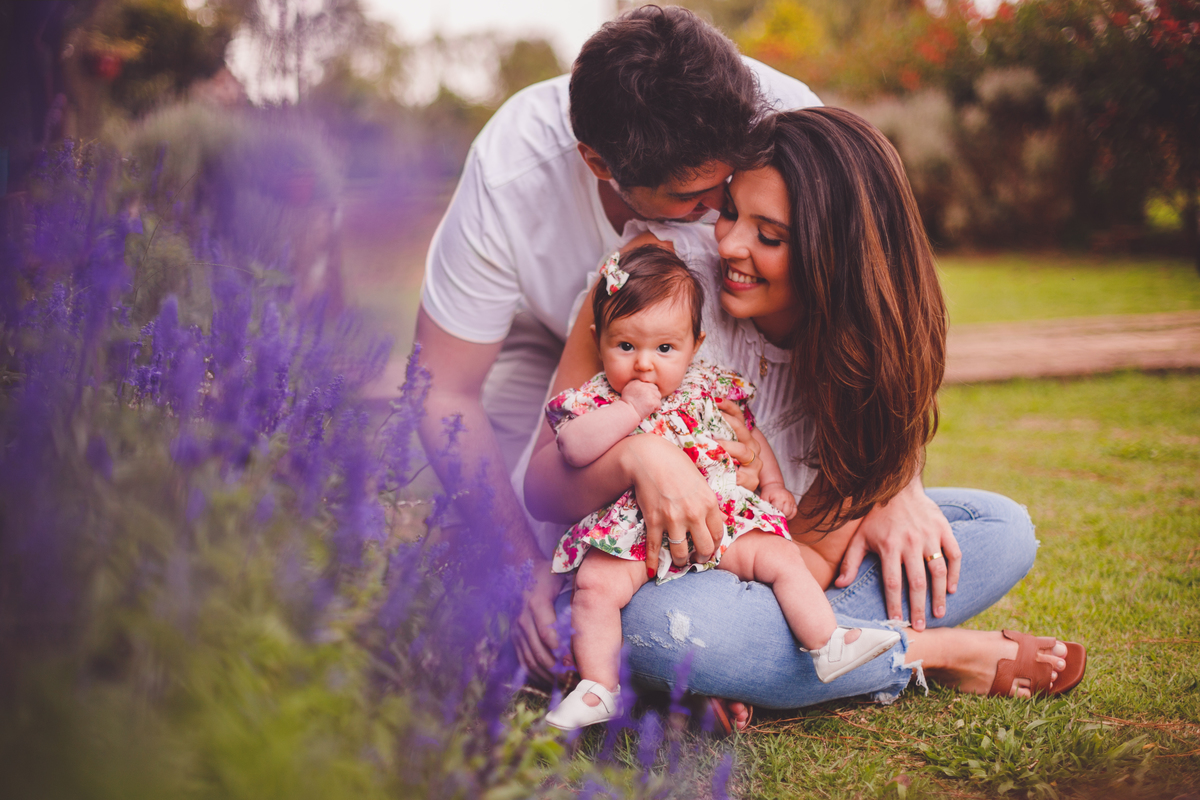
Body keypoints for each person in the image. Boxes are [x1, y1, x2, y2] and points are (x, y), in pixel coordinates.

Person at [525, 108, 1086, 731]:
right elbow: (546, 486)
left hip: (762, 559)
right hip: (643, 572)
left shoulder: (867, 356)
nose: (730, 243)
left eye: (770, 236)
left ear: (834, 256)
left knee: (999, 529)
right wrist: (641, 457)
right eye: (731, 211)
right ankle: (938, 655)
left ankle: (745, 665)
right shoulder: (657, 288)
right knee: (656, 625)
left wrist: (886, 493)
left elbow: (813, 555)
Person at [414, 5, 821, 682]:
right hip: (537, 331)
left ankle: (703, 651)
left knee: (749, 520)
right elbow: (444, 389)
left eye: (732, 184)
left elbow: (878, 301)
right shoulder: (513, 171)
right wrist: (524, 569)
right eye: (696, 196)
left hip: (695, 350)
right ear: (598, 164)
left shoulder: (783, 115)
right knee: (514, 543)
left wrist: (894, 487)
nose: (724, 216)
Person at [542, 246, 899, 730]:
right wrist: (629, 412)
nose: (645, 364)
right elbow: (571, 448)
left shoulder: (709, 387)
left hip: (719, 515)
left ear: (695, 344)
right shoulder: (596, 399)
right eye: (626, 347)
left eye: (664, 349)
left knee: (782, 557)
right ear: (598, 340)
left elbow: (750, 439)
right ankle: (599, 687)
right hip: (633, 529)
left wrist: (772, 483)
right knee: (593, 587)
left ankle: (826, 642)